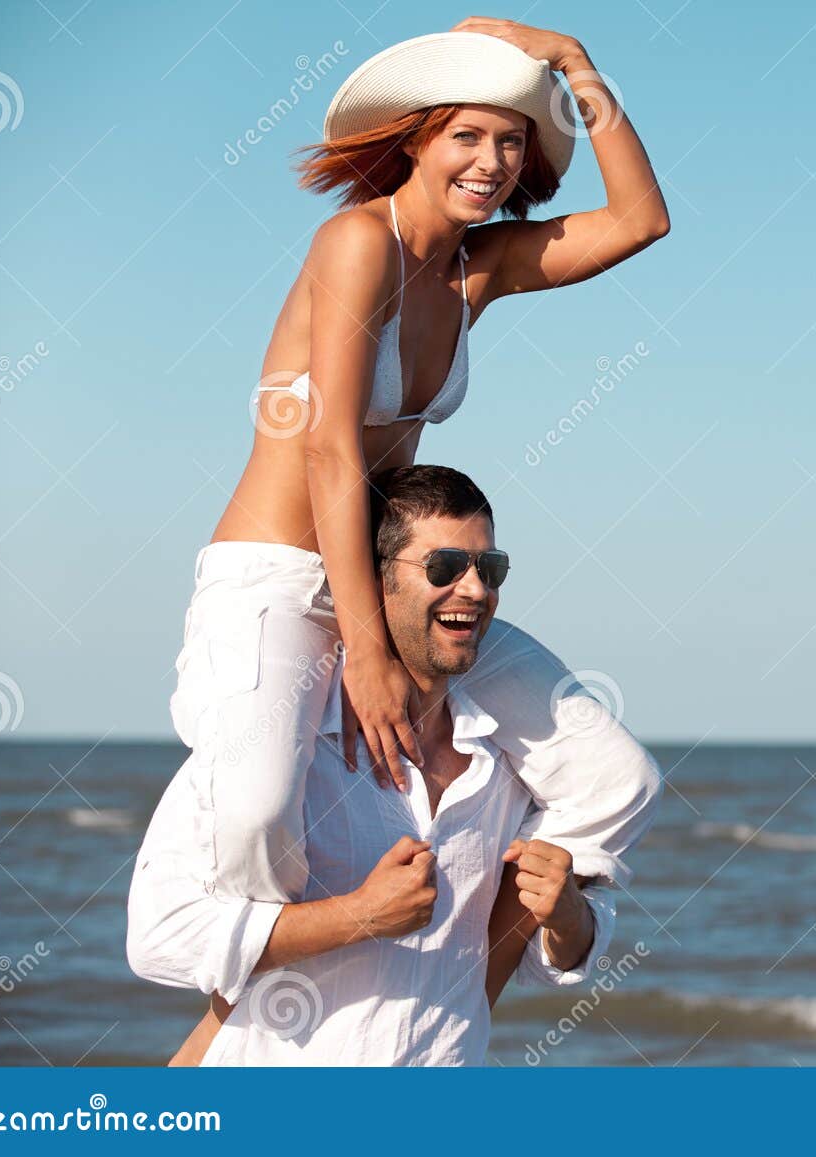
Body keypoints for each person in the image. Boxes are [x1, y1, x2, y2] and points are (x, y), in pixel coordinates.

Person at [161, 19, 669, 1050]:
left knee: (614, 778)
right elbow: (332, 454)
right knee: (257, 808)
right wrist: (363, 648)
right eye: (468, 137)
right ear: (416, 138)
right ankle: (215, 1052)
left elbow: (640, 221)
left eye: (514, 142)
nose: (491, 163)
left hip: (394, 580)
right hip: (277, 577)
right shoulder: (357, 241)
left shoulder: (474, 271)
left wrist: (572, 67)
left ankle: (452, 1013)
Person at [128, 466, 659, 1065]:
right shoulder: (281, 753)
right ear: (376, 583)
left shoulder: (510, 774)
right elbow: (161, 936)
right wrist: (358, 917)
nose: (475, 590)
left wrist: (567, 917)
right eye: (443, 568)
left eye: (490, 570)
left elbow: (560, 955)